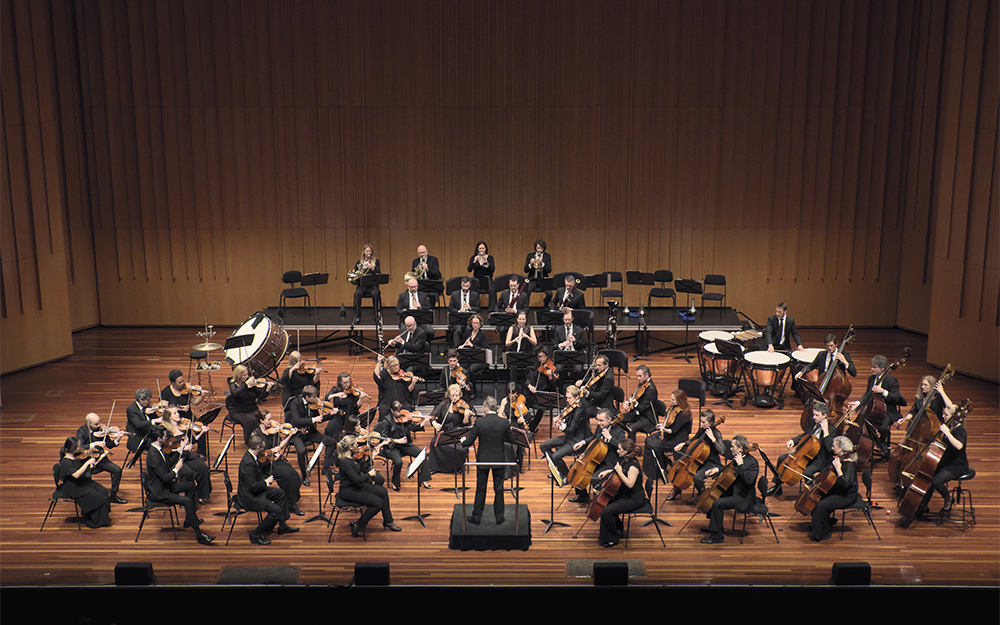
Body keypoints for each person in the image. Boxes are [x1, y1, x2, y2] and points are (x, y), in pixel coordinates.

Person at [145, 424, 215, 545]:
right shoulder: (153, 456)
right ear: (158, 439)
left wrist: (180, 451)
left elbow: (167, 464)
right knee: (187, 501)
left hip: (165, 486)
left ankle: (189, 518)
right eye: (165, 437)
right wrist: (176, 470)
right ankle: (199, 534)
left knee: (191, 485)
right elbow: (166, 478)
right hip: (161, 492)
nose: (167, 439)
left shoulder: (158, 450)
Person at [461, 396, 519, 525]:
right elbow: (512, 440)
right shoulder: (504, 423)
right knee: (499, 489)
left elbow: (469, 442)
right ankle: (499, 518)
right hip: (499, 459)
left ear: (485, 408)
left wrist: (463, 442)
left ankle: (476, 518)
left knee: (480, 489)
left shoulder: (480, 422)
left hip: (483, 460)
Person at [336, 435, 401, 537]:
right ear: (350, 447)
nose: (358, 447)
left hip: (356, 486)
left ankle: (388, 521)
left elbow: (360, 469)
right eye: (356, 445)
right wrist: (369, 475)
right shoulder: (345, 463)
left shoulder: (351, 458)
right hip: (348, 491)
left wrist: (371, 457)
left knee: (383, 492)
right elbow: (357, 479)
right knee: (378, 503)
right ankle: (358, 525)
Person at [240, 434, 299, 545]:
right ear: (257, 448)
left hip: (256, 490)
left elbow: (259, 469)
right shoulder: (248, 463)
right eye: (262, 448)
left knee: (281, 494)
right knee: (276, 510)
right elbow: (252, 486)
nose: (264, 451)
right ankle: (256, 534)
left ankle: (282, 526)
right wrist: (267, 482)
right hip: (250, 496)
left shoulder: (252, 456)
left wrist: (270, 462)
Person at [700, 434, 759, 545]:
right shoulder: (736, 458)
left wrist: (740, 464)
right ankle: (714, 526)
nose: (730, 448)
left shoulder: (752, 462)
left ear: (740, 448)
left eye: (732, 446)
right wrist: (716, 469)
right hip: (733, 491)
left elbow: (749, 480)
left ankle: (718, 536)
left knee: (717, 503)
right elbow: (728, 470)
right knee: (713, 496)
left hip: (743, 497)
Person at [769, 402, 834, 496]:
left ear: (824, 415)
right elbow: (805, 436)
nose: (814, 417)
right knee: (782, 459)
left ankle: (810, 494)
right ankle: (777, 488)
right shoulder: (813, 422)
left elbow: (829, 449)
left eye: (817, 415)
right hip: (806, 453)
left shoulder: (831, 429)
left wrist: (826, 433)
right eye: (813, 414)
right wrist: (793, 440)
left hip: (819, 459)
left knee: (807, 472)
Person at [569, 407, 628, 504]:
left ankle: (599, 502)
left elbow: (622, 447)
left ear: (609, 420)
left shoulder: (619, 431)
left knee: (595, 478)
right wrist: (583, 442)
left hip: (609, 461)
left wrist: (610, 438)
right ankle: (583, 495)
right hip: (596, 458)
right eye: (597, 420)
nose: (598, 423)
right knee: (575, 468)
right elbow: (594, 438)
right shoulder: (600, 427)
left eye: (601, 420)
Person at [643, 389, 694, 498]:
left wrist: (663, 429)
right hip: (669, 434)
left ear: (680, 400)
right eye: (671, 399)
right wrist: (663, 425)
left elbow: (673, 430)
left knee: (655, 446)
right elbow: (670, 422)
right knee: (648, 440)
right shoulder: (674, 408)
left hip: (677, 439)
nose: (671, 401)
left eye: (673, 400)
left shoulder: (684, 415)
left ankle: (661, 468)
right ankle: (660, 465)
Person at [251, 410, 304, 516]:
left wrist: (290, 436)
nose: (271, 422)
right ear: (261, 420)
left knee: (294, 475)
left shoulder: (273, 431)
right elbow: (259, 455)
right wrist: (273, 454)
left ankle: (290, 501)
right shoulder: (256, 434)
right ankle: (290, 503)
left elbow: (280, 445)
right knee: (286, 476)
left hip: (276, 458)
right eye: (268, 419)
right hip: (266, 463)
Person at [595, 438, 645, 548]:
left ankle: (612, 539)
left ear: (626, 451)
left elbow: (630, 483)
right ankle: (617, 527)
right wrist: (608, 471)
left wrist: (618, 472)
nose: (617, 451)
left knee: (606, 512)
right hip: (625, 494)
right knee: (605, 503)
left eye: (619, 449)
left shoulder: (633, 466)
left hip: (634, 498)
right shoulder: (625, 459)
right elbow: (621, 470)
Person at [374, 400, 433, 491]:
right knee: (398, 462)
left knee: (423, 454)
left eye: (400, 410)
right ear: (392, 410)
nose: (400, 413)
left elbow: (413, 428)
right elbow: (384, 438)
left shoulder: (405, 418)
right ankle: (395, 482)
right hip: (391, 447)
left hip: (405, 445)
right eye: (397, 411)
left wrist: (423, 421)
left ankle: (424, 479)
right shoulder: (387, 421)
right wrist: (398, 441)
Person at [285, 386, 338, 486]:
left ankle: (326, 469)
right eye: (314, 397)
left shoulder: (313, 404)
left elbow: (320, 419)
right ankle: (304, 476)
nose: (317, 399)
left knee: (331, 442)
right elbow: (297, 420)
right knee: (301, 451)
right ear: (307, 397)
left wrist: (331, 414)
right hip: (297, 433)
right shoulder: (295, 403)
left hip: (310, 432)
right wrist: (313, 420)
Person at [809, 436, 858, 542]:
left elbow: (846, 484)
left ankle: (821, 534)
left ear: (841, 448)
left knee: (821, 505)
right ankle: (820, 523)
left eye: (834, 446)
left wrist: (838, 469)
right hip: (838, 490)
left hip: (847, 495)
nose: (832, 448)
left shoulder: (849, 463)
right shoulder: (840, 458)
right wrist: (820, 474)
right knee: (817, 497)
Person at [57, 437, 112, 529]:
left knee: (104, 492)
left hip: (82, 482)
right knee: (98, 497)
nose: (81, 448)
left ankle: (103, 519)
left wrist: (100, 457)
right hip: (74, 487)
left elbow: (88, 468)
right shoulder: (65, 462)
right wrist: (87, 463)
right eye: (78, 447)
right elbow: (76, 475)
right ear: (73, 450)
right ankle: (94, 520)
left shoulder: (74, 457)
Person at [161, 407, 213, 503]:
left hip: (186, 455)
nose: (178, 414)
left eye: (177, 412)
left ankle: (201, 495)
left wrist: (202, 432)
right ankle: (190, 500)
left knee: (202, 467)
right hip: (175, 458)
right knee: (188, 473)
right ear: (169, 417)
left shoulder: (183, 426)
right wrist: (181, 449)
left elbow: (192, 440)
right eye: (175, 413)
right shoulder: (166, 431)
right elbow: (167, 449)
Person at [539, 385, 591, 481]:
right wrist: (559, 420)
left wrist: (561, 426)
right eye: (566, 397)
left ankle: (567, 475)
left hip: (576, 440)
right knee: (543, 446)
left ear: (577, 397)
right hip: (568, 437)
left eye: (569, 398)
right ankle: (558, 470)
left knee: (556, 456)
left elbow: (571, 429)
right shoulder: (572, 406)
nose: (567, 400)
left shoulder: (580, 409)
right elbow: (567, 416)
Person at [852, 355, 906, 448]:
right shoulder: (871, 378)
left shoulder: (891, 380)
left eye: (875, 367)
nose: (871, 369)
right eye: (872, 366)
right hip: (873, 408)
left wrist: (884, 392)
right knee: (863, 423)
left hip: (887, 410)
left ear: (882, 368)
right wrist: (858, 403)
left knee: (882, 428)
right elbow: (867, 394)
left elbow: (896, 398)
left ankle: (882, 443)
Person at [673, 409, 727, 498]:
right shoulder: (702, 430)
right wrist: (683, 443)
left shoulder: (717, 433)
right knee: (675, 465)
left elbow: (722, 451)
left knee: (697, 477)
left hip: (710, 462)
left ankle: (703, 495)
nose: (701, 424)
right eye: (701, 421)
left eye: (703, 422)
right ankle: (677, 489)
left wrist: (713, 439)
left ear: (710, 423)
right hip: (697, 459)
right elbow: (693, 440)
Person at [75, 413, 127, 504]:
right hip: (86, 460)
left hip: (100, 458)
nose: (99, 426)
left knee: (117, 470)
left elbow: (109, 445)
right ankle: (88, 498)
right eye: (96, 424)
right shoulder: (81, 432)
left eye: (99, 423)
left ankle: (113, 495)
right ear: (88, 423)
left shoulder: (102, 430)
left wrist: (117, 439)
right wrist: (95, 444)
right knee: (87, 477)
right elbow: (80, 447)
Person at [428, 384, 474, 474]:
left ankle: (458, 467)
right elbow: (432, 416)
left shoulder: (464, 405)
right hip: (446, 431)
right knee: (434, 443)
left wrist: (466, 417)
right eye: (452, 395)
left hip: (459, 433)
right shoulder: (444, 403)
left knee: (461, 449)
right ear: (449, 395)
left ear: (460, 394)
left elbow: (466, 424)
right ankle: (437, 467)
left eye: (457, 395)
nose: (455, 397)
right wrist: (434, 423)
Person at [226, 364, 273, 446]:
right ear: (239, 376)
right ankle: (251, 443)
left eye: (247, 374)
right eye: (244, 375)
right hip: (238, 411)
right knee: (250, 421)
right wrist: (246, 385)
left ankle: (262, 439)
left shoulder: (251, 384)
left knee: (261, 418)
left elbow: (260, 396)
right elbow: (235, 393)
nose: (247, 376)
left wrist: (267, 389)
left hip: (251, 408)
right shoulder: (233, 384)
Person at [525, 345, 558, 431]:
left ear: (546, 356)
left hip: (545, 397)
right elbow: (528, 379)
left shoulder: (551, 367)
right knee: (523, 403)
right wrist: (529, 386)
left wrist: (551, 378)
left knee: (540, 409)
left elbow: (554, 389)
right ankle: (526, 424)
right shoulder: (535, 367)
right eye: (539, 357)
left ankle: (531, 429)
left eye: (543, 356)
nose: (542, 359)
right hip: (534, 395)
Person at [621, 365, 658, 440]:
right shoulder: (642, 383)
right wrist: (627, 402)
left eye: (640, 376)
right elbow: (634, 395)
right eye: (637, 376)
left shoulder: (651, 390)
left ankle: (631, 449)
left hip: (647, 418)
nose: (638, 378)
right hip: (637, 414)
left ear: (646, 375)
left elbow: (642, 407)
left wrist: (634, 403)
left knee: (631, 429)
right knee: (618, 419)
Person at [553, 310, 587, 383]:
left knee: (578, 370)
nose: (567, 321)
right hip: (562, 355)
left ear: (572, 319)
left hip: (576, 355)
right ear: (563, 319)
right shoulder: (558, 330)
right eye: (566, 320)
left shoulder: (579, 330)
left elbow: (584, 344)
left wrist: (575, 340)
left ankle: (575, 390)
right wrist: (562, 345)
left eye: (569, 319)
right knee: (558, 370)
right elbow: (554, 345)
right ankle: (561, 391)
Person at [351, 243, 381, 325]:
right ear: (364, 252)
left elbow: (378, 273)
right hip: (362, 286)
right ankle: (357, 316)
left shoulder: (376, 261)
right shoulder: (359, 262)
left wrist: (373, 268)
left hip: (373, 285)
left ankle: (376, 317)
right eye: (367, 251)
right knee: (357, 294)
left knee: (375, 294)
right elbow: (355, 274)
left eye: (370, 251)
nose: (368, 252)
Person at [125, 388, 160, 453]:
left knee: (165, 438)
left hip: (150, 433)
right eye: (147, 400)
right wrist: (154, 421)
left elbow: (156, 421)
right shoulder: (131, 409)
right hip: (139, 437)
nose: (149, 402)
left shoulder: (147, 406)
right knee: (158, 446)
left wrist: (154, 412)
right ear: (140, 400)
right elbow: (138, 424)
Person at [448, 277, 480, 345]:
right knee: (458, 330)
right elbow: (450, 308)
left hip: (470, 319)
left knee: (469, 329)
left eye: (467, 286)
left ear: (470, 285)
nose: (465, 288)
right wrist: (458, 311)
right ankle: (456, 348)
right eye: (463, 286)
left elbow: (478, 308)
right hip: (458, 319)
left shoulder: (475, 295)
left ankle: (466, 347)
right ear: (461, 284)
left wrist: (470, 307)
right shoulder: (455, 294)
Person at [468, 240, 496, 311]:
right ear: (477, 249)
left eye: (483, 248)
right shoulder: (474, 257)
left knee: (493, 290)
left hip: (487, 279)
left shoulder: (490, 258)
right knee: (472, 291)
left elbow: (492, 270)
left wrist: (486, 262)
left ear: (486, 249)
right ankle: (474, 309)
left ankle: (491, 311)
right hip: (477, 279)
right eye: (480, 248)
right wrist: (474, 261)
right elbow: (469, 269)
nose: (481, 250)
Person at [523, 239, 553, 307]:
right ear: (535, 248)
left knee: (549, 294)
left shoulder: (547, 256)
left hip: (543, 279)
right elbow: (525, 270)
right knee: (526, 292)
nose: (540, 250)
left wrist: (542, 264)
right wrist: (530, 264)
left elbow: (549, 270)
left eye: (541, 248)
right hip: (533, 279)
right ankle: (526, 310)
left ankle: (545, 305)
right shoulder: (530, 256)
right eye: (538, 248)